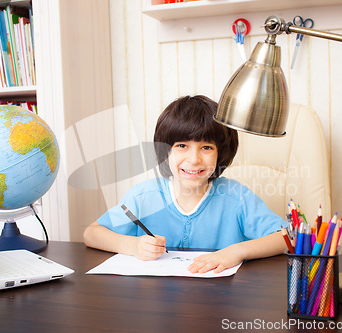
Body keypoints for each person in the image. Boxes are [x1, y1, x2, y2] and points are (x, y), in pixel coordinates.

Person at [83, 95, 286, 274]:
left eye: (206, 147)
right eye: (182, 146)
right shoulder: (143, 196)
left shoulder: (236, 197)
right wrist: (132, 245)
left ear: (221, 153)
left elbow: (288, 237)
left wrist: (237, 251)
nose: (194, 159)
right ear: (166, 151)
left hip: (219, 300)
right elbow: (91, 233)